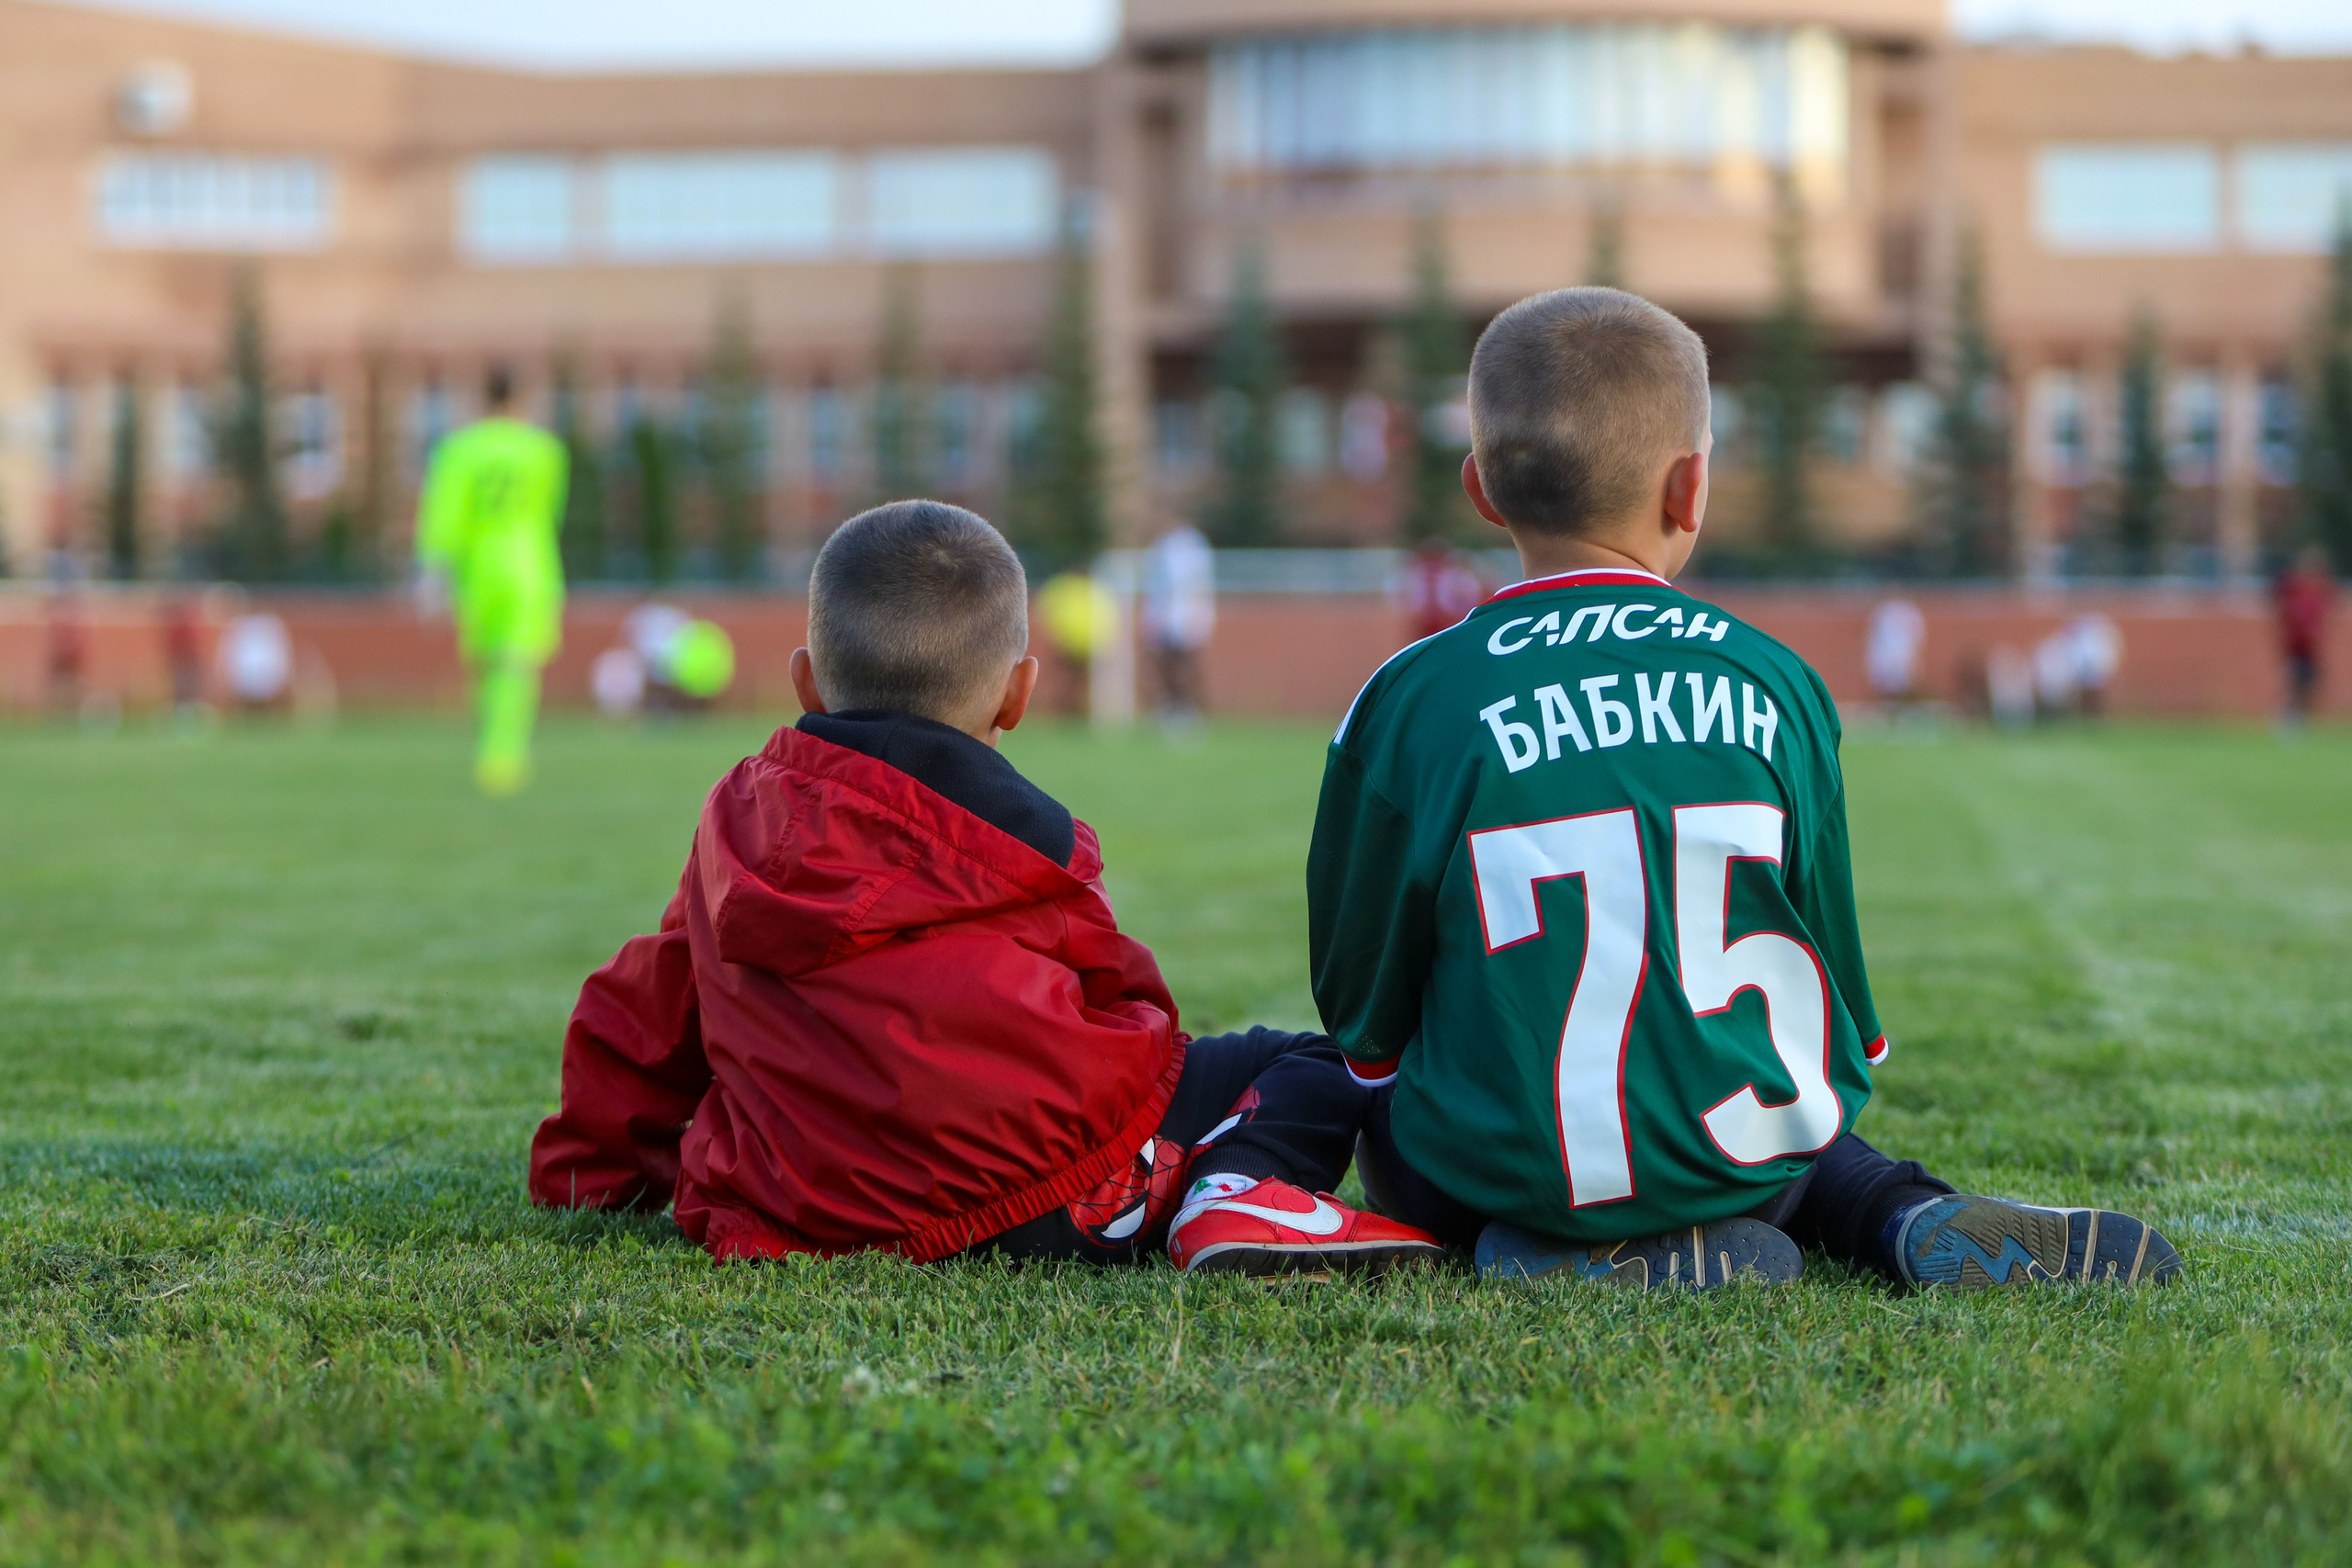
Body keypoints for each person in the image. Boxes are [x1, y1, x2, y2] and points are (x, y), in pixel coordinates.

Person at [1309, 288, 2182, 1291]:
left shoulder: (1410, 695)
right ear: (1689, 489)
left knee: (1347, 1085)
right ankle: (1900, 1215)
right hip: (1747, 1169)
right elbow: (1839, 1001)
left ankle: (1558, 1241)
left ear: (1481, 490)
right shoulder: (1777, 680)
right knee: (1811, 1148)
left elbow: (1361, 1009)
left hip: (1494, 1173)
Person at [529, 502, 1440, 1276]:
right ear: (1017, 695)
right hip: (1050, 1194)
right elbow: (1124, 1003)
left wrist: (588, 1176)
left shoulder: (732, 827)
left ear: (805, 678)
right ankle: (1228, 1190)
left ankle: (1188, 1191)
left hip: (798, 1208)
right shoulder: (1030, 839)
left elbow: (644, 1010)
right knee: (1311, 1064)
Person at [415, 366, 568, 795]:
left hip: (478, 567)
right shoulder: (544, 449)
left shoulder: (460, 449)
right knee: (518, 661)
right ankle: (505, 754)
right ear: (521, 397)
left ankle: (492, 748)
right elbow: (551, 511)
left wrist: (433, 568)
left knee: (486, 662)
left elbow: (443, 512)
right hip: (530, 563)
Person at [1141, 523, 1216, 727]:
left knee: (1186, 667)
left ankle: (1188, 711)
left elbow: (1197, 585)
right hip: (1164, 620)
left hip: (1185, 619)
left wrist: (1196, 619)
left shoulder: (1191, 544)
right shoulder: (1162, 545)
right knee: (1164, 667)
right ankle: (1170, 709)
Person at [2274, 546, 2334, 728]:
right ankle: (2287, 718)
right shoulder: (2294, 588)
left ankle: (2299, 717)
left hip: (2310, 647)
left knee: (2310, 682)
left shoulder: (2319, 591)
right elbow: (2280, 596)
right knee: (2295, 682)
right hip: (2296, 646)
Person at [1396, 539, 1487, 643]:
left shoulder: (1455, 575)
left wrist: (1456, 611)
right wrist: (1415, 613)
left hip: (1447, 619)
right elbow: (1405, 595)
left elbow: (1470, 593)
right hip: (1424, 621)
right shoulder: (1416, 575)